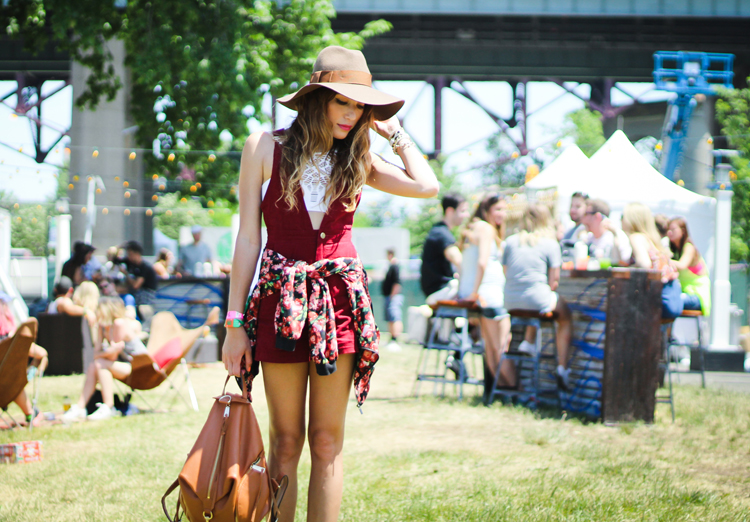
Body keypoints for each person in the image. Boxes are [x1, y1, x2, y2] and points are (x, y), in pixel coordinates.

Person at [221, 46, 438, 522]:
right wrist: (234, 323)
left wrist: (395, 132)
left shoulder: (360, 158)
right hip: (280, 303)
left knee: (326, 440)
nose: (351, 114)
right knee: (285, 441)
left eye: (360, 106)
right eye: (343, 101)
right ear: (317, 98)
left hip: (339, 303)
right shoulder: (264, 147)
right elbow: (248, 238)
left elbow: (427, 186)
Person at [503, 204, 574, 390]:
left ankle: (528, 341)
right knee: (564, 315)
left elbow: (506, 272)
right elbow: (554, 281)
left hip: (509, 301)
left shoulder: (510, 241)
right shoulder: (550, 244)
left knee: (537, 302)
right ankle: (562, 368)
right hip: (537, 301)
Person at [458, 194, 514, 392]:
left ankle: (500, 394)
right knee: (501, 348)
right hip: (489, 296)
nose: (502, 214)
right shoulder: (486, 229)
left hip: (480, 295)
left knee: (490, 348)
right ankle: (517, 393)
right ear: (486, 210)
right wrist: (475, 293)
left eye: (504, 209)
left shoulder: (473, 228)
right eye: (498, 209)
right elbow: (482, 262)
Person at [62, 296, 145, 422]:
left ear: (106, 310)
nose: (95, 312)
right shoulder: (103, 326)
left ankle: (108, 407)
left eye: (98, 309)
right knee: (94, 364)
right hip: (122, 365)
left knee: (100, 364)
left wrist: (105, 352)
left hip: (140, 367)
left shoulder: (119, 323)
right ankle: (80, 407)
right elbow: (96, 354)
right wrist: (107, 351)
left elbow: (111, 356)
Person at [622, 203, 682, 319]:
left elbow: (644, 264)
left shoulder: (636, 237)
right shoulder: (651, 239)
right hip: (666, 296)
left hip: (655, 300)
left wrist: (629, 269)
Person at [0, 293, 46, 426]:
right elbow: (42, 354)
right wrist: (30, 372)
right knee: (13, 381)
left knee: (10, 380)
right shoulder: (13, 342)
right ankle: (31, 414)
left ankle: (31, 414)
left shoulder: (9, 343)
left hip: (6, 385)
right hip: (10, 387)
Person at [420, 193, 470, 305]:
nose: (466, 215)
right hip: (440, 291)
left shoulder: (438, 230)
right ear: (450, 211)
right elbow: (459, 261)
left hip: (437, 291)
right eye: (463, 211)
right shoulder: (441, 233)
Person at [667, 217, 711, 315]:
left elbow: (682, 265)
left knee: (669, 301)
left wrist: (664, 259)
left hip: (696, 296)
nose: (669, 233)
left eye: (673, 229)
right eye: (668, 230)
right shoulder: (675, 251)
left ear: (682, 231)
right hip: (684, 293)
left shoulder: (689, 247)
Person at [580, 198, 632, 266]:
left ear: (597, 216)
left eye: (585, 214)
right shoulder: (588, 238)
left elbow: (625, 261)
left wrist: (616, 238)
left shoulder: (615, 236)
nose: (582, 219)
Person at [121, 240, 158, 306]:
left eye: (130, 254)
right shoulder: (134, 266)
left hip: (146, 298)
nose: (129, 257)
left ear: (137, 253)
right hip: (138, 296)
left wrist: (126, 274)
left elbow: (136, 286)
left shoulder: (145, 267)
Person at [382, 248, 403, 351]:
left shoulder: (395, 266)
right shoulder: (390, 266)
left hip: (393, 297)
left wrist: (392, 296)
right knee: (390, 318)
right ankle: (391, 338)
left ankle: (396, 339)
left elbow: (397, 283)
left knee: (395, 317)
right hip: (388, 296)